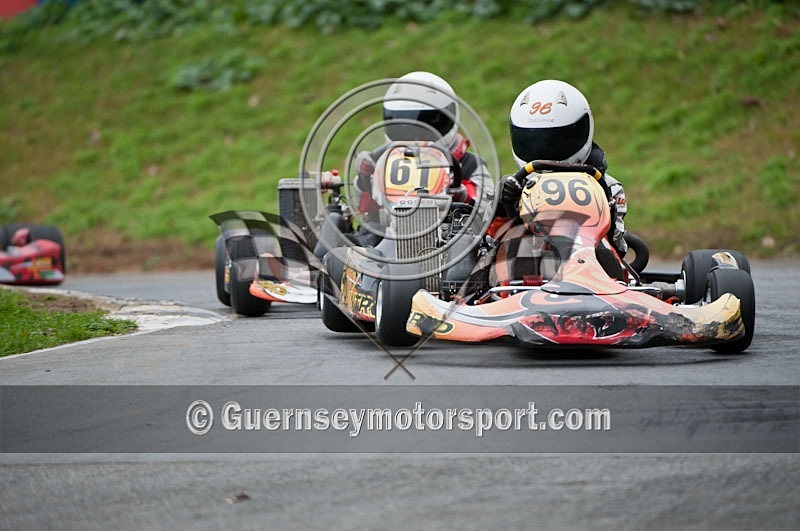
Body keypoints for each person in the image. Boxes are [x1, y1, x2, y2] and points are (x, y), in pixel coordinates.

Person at [497, 79, 628, 256]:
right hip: (525, 265)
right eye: (533, 142)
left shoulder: (607, 186)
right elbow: (490, 240)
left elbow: (618, 247)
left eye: (555, 144)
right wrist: (502, 207)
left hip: (589, 261)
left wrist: (604, 204)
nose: (545, 154)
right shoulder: (514, 187)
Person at [351, 71, 494, 228]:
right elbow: (364, 206)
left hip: (450, 239)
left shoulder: (470, 164)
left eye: (426, 127)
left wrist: (462, 194)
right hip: (387, 239)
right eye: (405, 129)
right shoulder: (381, 164)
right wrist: (365, 180)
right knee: (363, 233)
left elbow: (486, 209)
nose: (415, 138)